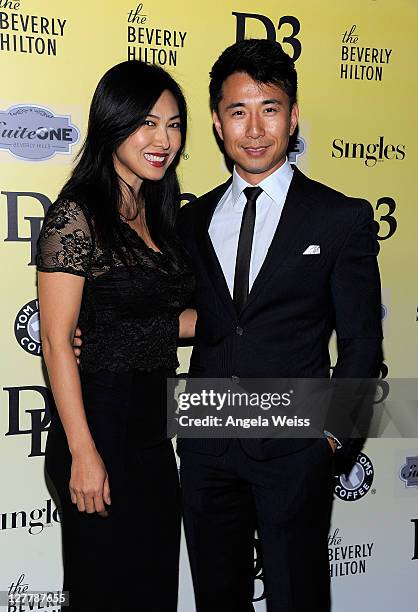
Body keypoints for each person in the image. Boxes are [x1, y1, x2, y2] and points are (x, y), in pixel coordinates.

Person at [176, 39, 383, 612]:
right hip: (206, 442)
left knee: (298, 597)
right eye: (238, 111)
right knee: (218, 599)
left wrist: (336, 437)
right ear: (217, 123)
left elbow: (363, 339)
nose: (255, 128)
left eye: (269, 108)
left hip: (296, 446)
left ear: (293, 117)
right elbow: (180, 316)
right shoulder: (190, 219)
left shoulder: (341, 216)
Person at [37, 60, 195, 612]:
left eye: (174, 125)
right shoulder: (75, 216)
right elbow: (58, 342)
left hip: (153, 436)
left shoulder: (158, 212)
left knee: (154, 592)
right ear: (113, 123)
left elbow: (159, 320)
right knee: (103, 593)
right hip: (96, 427)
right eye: (148, 123)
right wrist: (83, 452)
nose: (164, 140)